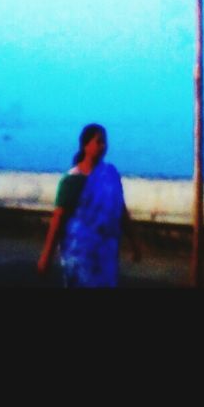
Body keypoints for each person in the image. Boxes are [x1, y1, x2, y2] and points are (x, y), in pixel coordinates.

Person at [37, 123, 141, 287]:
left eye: (105, 142)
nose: (103, 146)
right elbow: (58, 219)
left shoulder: (110, 175)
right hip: (79, 257)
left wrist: (135, 243)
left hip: (106, 256)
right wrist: (46, 255)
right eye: (98, 141)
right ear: (86, 145)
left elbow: (121, 210)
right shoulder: (72, 180)